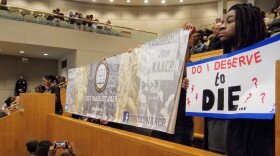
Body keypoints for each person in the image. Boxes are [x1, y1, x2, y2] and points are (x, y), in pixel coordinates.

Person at [220, 3, 274, 156]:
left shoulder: (270, 59)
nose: (222, 27)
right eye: (223, 22)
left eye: (229, 21)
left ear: (246, 23)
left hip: (258, 142)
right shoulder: (220, 65)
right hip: (228, 141)